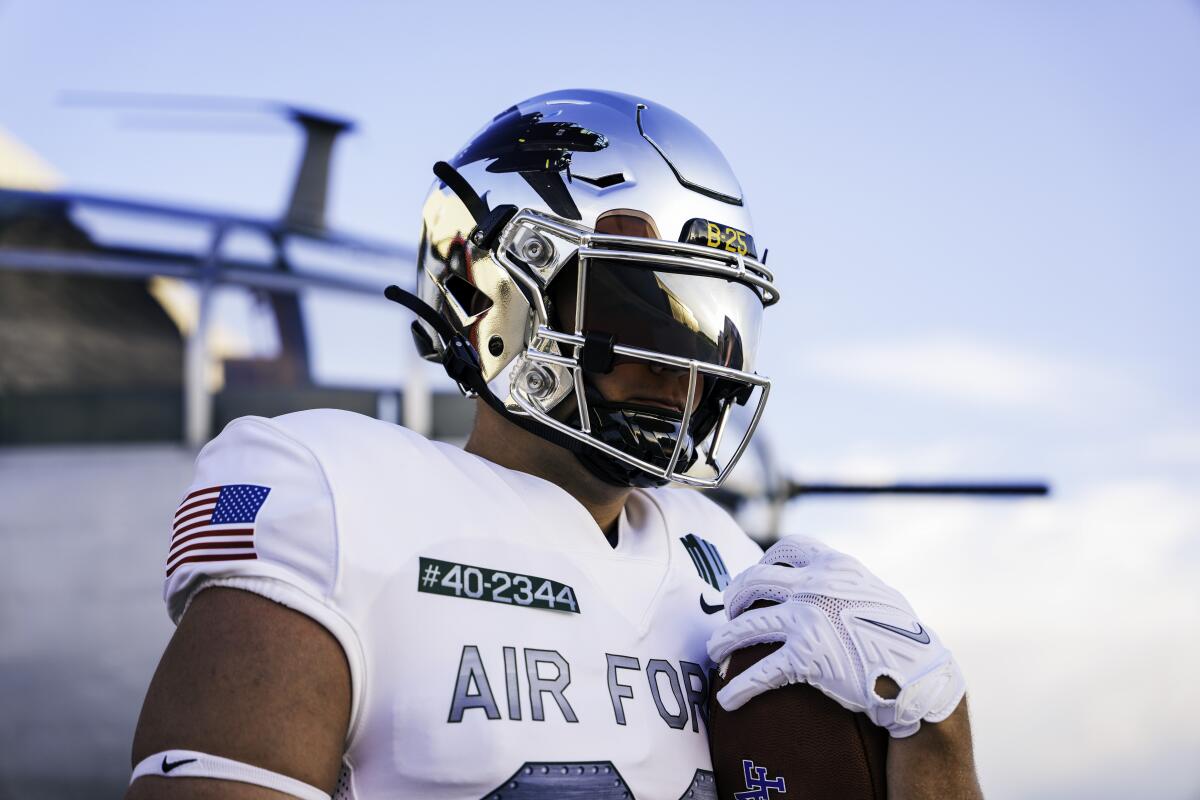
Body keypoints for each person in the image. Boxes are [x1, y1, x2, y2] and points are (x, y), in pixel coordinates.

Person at [125, 89, 982, 799]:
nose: (682, 367)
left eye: (710, 330)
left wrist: (936, 727)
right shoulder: (333, 491)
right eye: (636, 309)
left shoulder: (725, 559)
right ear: (496, 293)